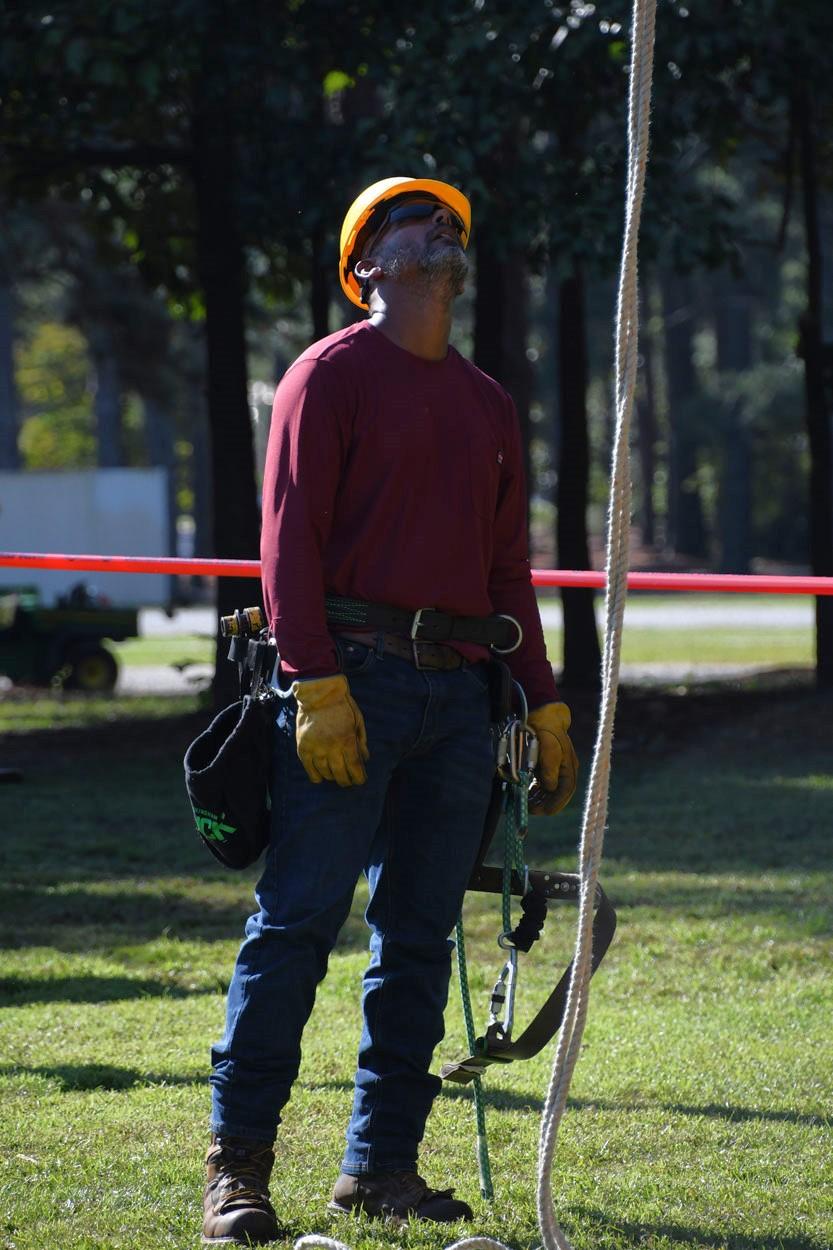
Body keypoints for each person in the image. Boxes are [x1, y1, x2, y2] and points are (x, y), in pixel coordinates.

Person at [202, 176, 579, 1246]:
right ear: (365, 265)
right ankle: (236, 1174)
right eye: (409, 221)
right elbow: (289, 544)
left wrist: (543, 706)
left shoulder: (486, 404)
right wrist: (315, 687)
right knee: (296, 926)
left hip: (460, 700)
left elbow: (507, 570)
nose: (438, 228)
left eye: (448, 219)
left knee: (415, 938)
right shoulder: (326, 376)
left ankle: (379, 1168)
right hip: (350, 685)